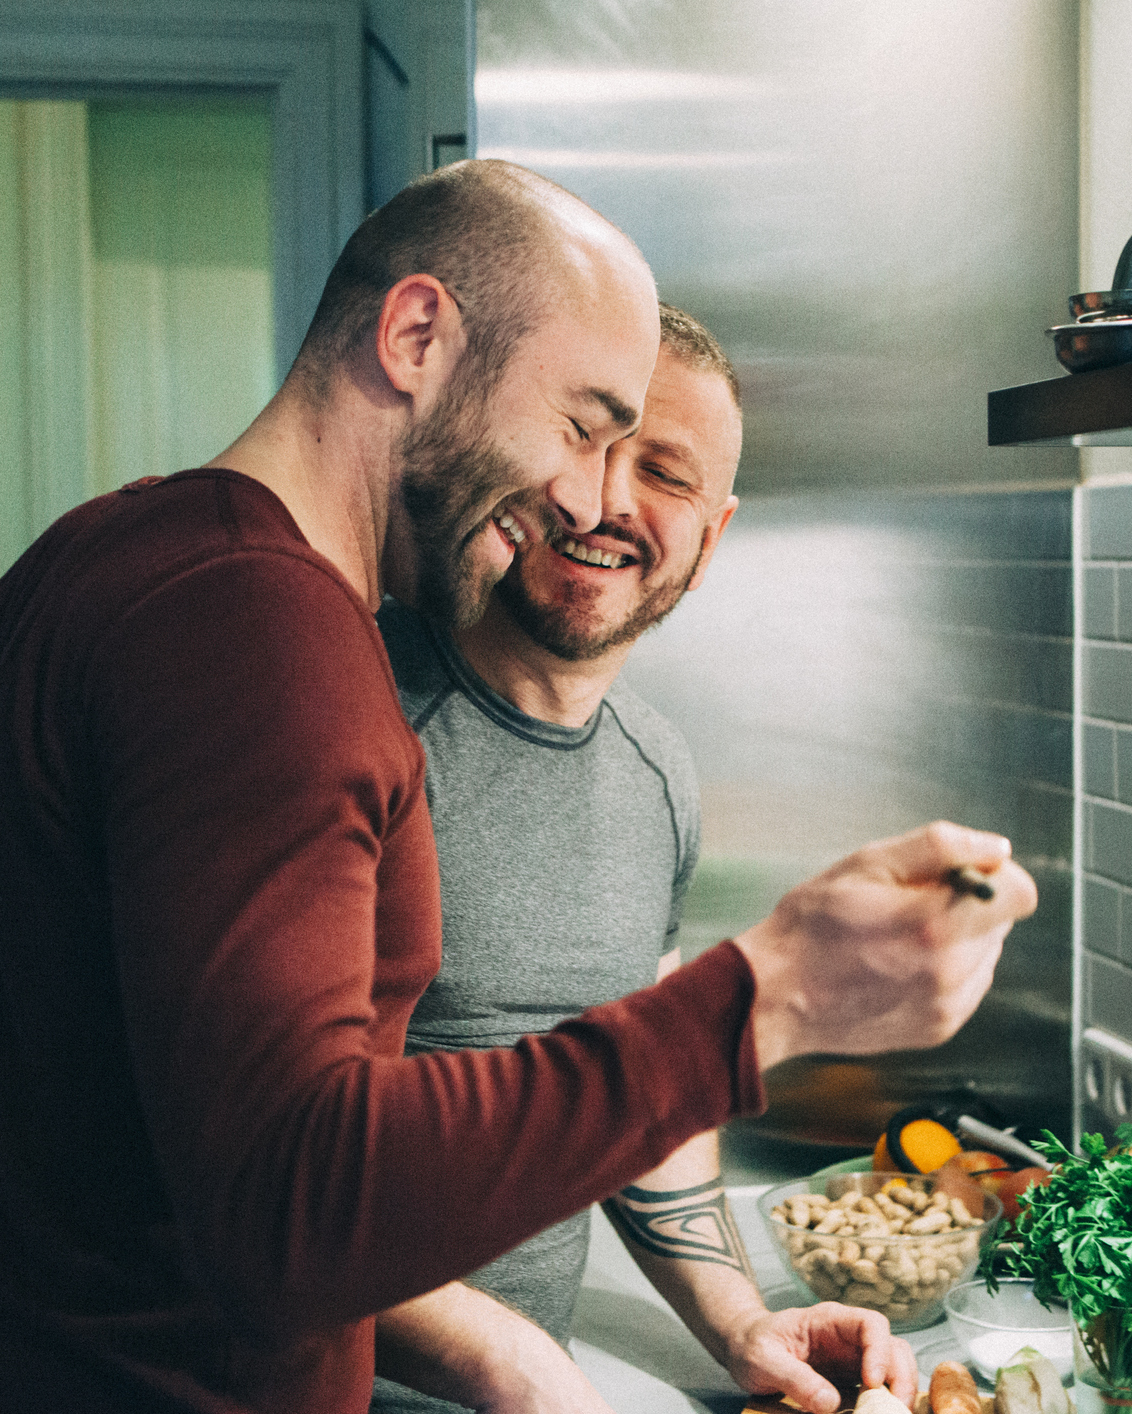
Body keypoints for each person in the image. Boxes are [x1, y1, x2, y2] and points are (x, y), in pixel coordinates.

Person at [0, 159, 1035, 1414]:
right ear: (416, 335)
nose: (583, 495)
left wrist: (727, 1308)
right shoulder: (267, 640)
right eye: (582, 425)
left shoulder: (98, 557)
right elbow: (291, 1215)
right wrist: (768, 996)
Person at [371, 304, 916, 1414]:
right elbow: (245, 1158)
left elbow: (641, 1102)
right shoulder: (354, 718)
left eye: (663, 472)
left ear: (709, 541)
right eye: (585, 446)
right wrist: (508, 1363)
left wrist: (744, 1322)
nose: (608, 500)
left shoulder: (655, 774)